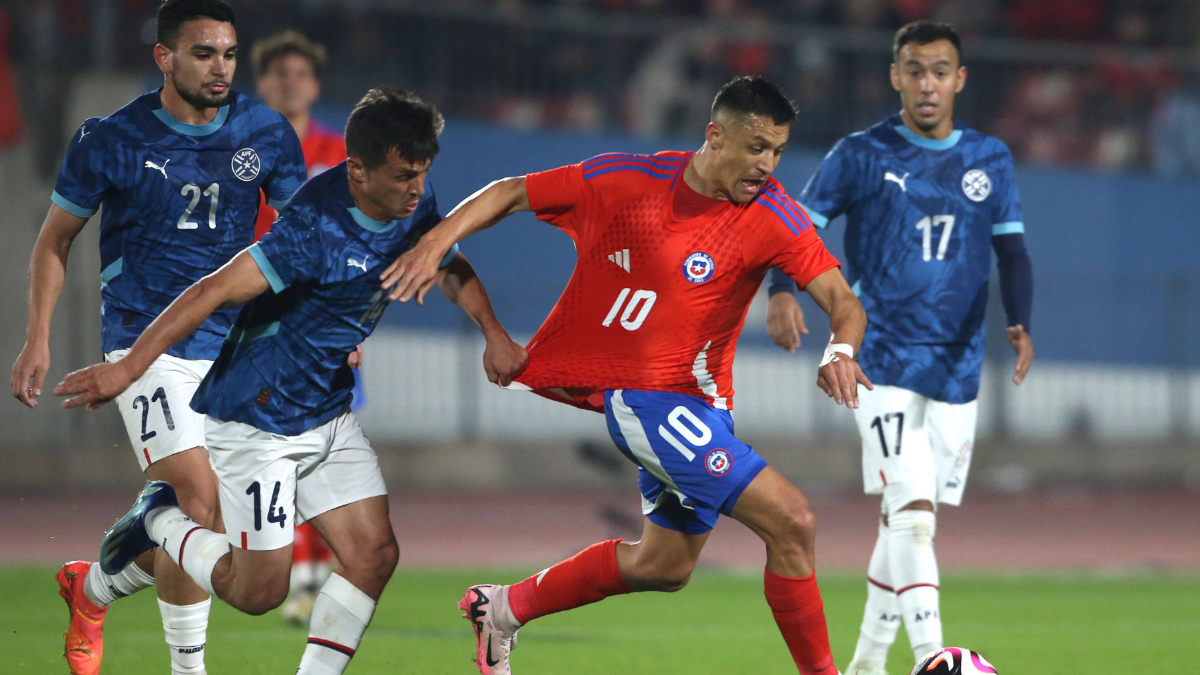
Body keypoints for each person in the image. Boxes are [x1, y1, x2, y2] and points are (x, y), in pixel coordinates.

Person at [380, 76, 870, 675]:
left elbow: (844, 303)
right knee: (793, 521)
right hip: (647, 401)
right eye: (756, 147)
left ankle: (503, 609)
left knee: (664, 567)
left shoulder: (774, 216)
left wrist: (839, 351)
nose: (766, 164)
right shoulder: (629, 180)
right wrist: (434, 244)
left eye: (776, 151)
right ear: (715, 135)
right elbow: (510, 193)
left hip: (704, 406)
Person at [55, 86, 527, 675]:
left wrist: (495, 333)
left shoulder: (411, 205)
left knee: (374, 554)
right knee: (258, 594)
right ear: (357, 170)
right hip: (262, 420)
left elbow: (446, 262)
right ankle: (157, 517)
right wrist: (128, 367)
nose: (417, 188)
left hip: (325, 409)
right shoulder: (311, 230)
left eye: (423, 173)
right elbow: (213, 290)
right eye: (405, 174)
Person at [10, 2, 307, 673]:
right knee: (196, 500)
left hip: (231, 347)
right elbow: (54, 242)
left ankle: (91, 587)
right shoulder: (111, 139)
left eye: (228, 53)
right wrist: (37, 337)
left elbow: (302, 241)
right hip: (144, 346)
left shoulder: (266, 132)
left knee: (202, 521)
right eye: (203, 53)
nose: (220, 67)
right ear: (164, 57)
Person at [763, 22, 1035, 675]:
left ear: (959, 79)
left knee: (906, 521)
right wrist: (781, 289)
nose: (927, 83)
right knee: (911, 512)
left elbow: (1013, 250)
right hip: (877, 357)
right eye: (915, 70)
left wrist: (1020, 321)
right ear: (895, 76)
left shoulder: (989, 158)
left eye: (940, 70)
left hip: (957, 367)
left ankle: (864, 666)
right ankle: (935, 659)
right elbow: (797, 225)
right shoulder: (861, 153)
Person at [251, 28, 346, 627]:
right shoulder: (242, 152)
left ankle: (311, 577)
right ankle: (307, 575)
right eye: (279, 74)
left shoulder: (339, 149)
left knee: (316, 452)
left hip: (322, 324)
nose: (290, 83)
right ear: (260, 84)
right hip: (251, 320)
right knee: (270, 454)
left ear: (314, 85)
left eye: (300, 73)